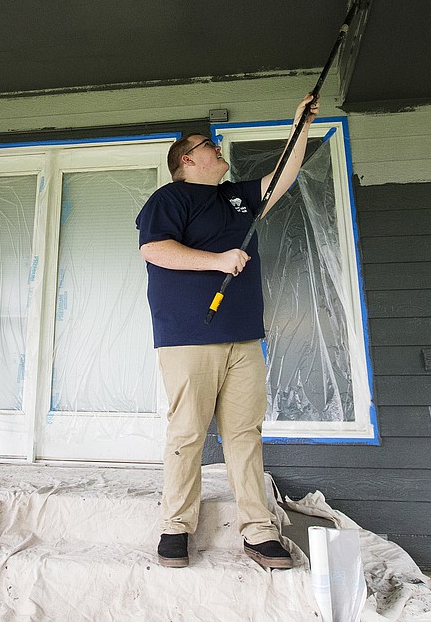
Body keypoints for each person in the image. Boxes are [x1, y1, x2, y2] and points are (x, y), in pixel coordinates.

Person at [135, 93, 318, 569]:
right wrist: (217, 260)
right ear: (186, 159)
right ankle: (176, 526)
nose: (218, 150)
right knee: (189, 432)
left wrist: (300, 126)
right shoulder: (169, 198)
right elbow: (155, 250)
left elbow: (283, 178)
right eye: (208, 146)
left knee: (244, 433)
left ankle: (259, 532)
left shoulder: (236, 197)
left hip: (244, 337)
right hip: (188, 336)